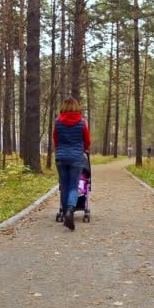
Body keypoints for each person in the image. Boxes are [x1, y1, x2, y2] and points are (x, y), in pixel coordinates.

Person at [53, 97, 91, 231]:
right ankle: (70, 210)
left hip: (61, 158)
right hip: (76, 158)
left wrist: (61, 149)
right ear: (76, 107)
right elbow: (87, 140)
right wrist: (84, 148)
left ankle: (64, 214)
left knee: (64, 186)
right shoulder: (81, 122)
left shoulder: (58, 121)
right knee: (74, 186)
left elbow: (55, 139)